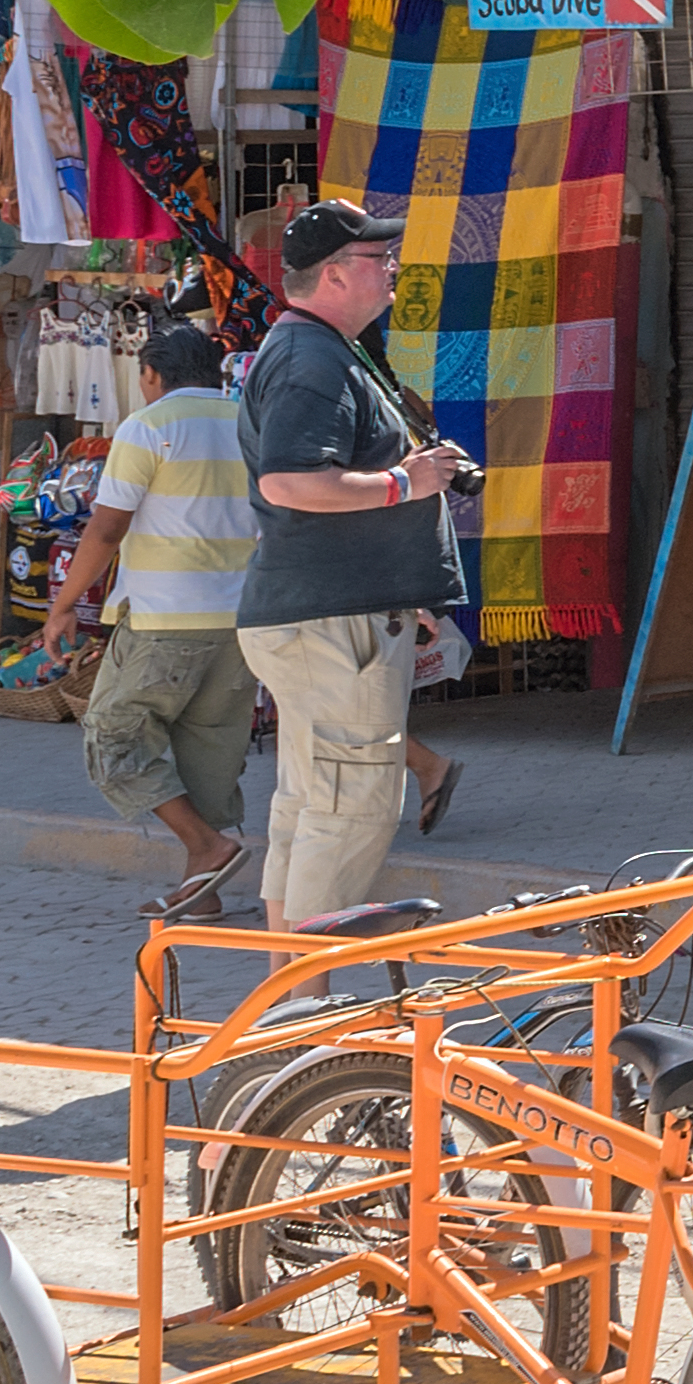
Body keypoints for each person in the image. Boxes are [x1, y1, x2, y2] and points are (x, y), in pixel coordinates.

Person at [237, 198, 471, 924]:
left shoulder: (322, 349)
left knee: (313, 804)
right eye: (378, 257)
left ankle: (289, 998)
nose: (393, 267)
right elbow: (290, 480)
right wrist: (407, 481)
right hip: (332, 622)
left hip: (330, 613)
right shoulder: (313, 360)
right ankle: (306, 1003)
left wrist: (410, 587)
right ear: (335, 275)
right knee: (351, 811)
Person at [46, 320, 258, 891]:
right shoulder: (250, 421)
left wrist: (64, 605)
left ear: (151, 375)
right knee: (211, 745)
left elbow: (107, 528)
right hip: (240, 617)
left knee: (113, 735)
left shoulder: (147, 427)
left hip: (167, 616)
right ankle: (202, 888)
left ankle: (207, 846)